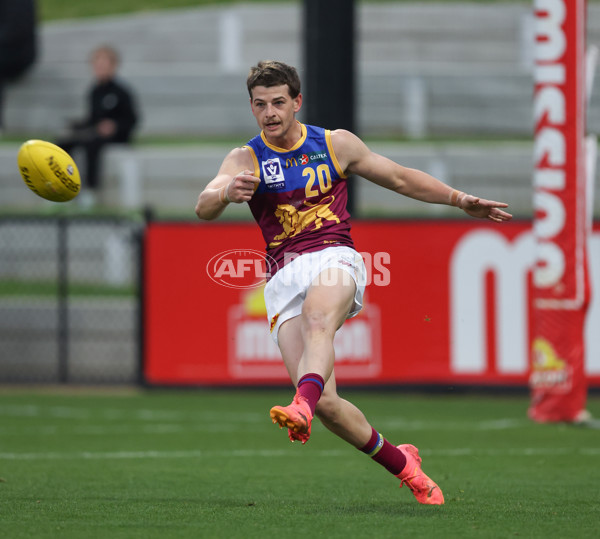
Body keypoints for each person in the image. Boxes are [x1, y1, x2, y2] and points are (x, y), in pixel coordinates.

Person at [195, 60, 513, 505]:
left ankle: (298, 405)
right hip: (282, 273)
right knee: (329, 405)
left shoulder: (334, 143)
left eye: (279, 103)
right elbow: (204, 203)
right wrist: (226, 194)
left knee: (317, 319)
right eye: (260, 104)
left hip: (333, 255)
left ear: (297, 102)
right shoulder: (243, 158)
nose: (270, 112)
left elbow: (400, 177)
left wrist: (460, 200)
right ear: (251, 107)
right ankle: (405, 465)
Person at [56, 45, 138, 207]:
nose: (99, 68)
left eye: (104, 64)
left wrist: (114, 126)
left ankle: (90, 192)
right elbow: (93, 119)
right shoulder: (94, 90)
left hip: (116, 136)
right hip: (95, 133)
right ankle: (61, 188)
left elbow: (132, 119)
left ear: (113, 66)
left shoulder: (122, 92)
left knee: (91, 145)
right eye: (97, 64)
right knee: (62, 143)